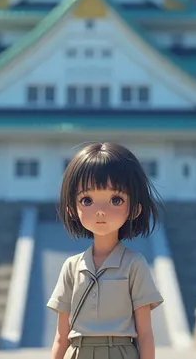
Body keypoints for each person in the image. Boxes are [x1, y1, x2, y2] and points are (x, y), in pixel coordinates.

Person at [47, 142, 164, 359]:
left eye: (116, 200)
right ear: (72, 208)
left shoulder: (134, 264)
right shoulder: (72, 267)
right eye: (87, 200)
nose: (101, 211)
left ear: (135, 208)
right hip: (78, 351)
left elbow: (145, 333)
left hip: (120, 352)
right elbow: (61, 337)